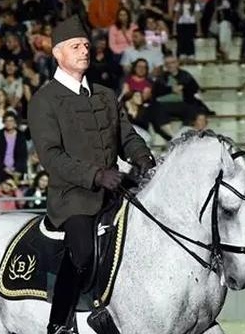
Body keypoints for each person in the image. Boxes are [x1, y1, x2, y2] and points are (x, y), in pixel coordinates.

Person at [27, 16, 154, 334]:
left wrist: (142, 158)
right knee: (82, 251)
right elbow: (52, 157)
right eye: (76, 46)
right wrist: (96, 175)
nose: (84, 50)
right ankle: (59, 323)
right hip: (74, 196)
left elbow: (128, 136)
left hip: (116, 188)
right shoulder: (44, 100)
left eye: (86, 45)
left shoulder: (106, 94)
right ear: (58, 53)